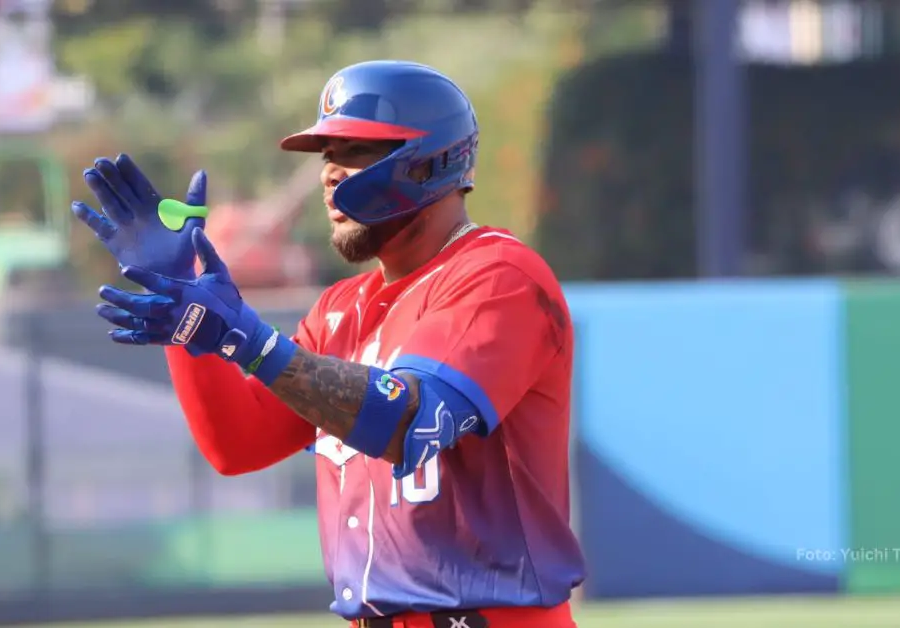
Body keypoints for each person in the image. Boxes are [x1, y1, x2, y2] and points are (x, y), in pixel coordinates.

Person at [71, 60, 585, 628]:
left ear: (431, 162)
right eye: (326, 154)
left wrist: (253, 345)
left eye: (356, 150)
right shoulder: (339, 310)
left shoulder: (498, 276)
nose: (329, 174)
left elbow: (408, 423)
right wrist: (188, 317)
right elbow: (237, 445)